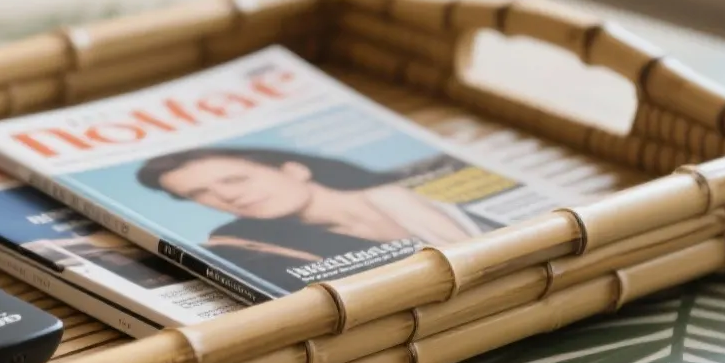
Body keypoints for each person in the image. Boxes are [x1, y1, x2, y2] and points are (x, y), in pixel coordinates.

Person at [135, 147, 480, 285]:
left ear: (294, 169)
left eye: (234, 178)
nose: (224, 196)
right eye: (198, 194)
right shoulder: (252, 245)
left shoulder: (421, 195)